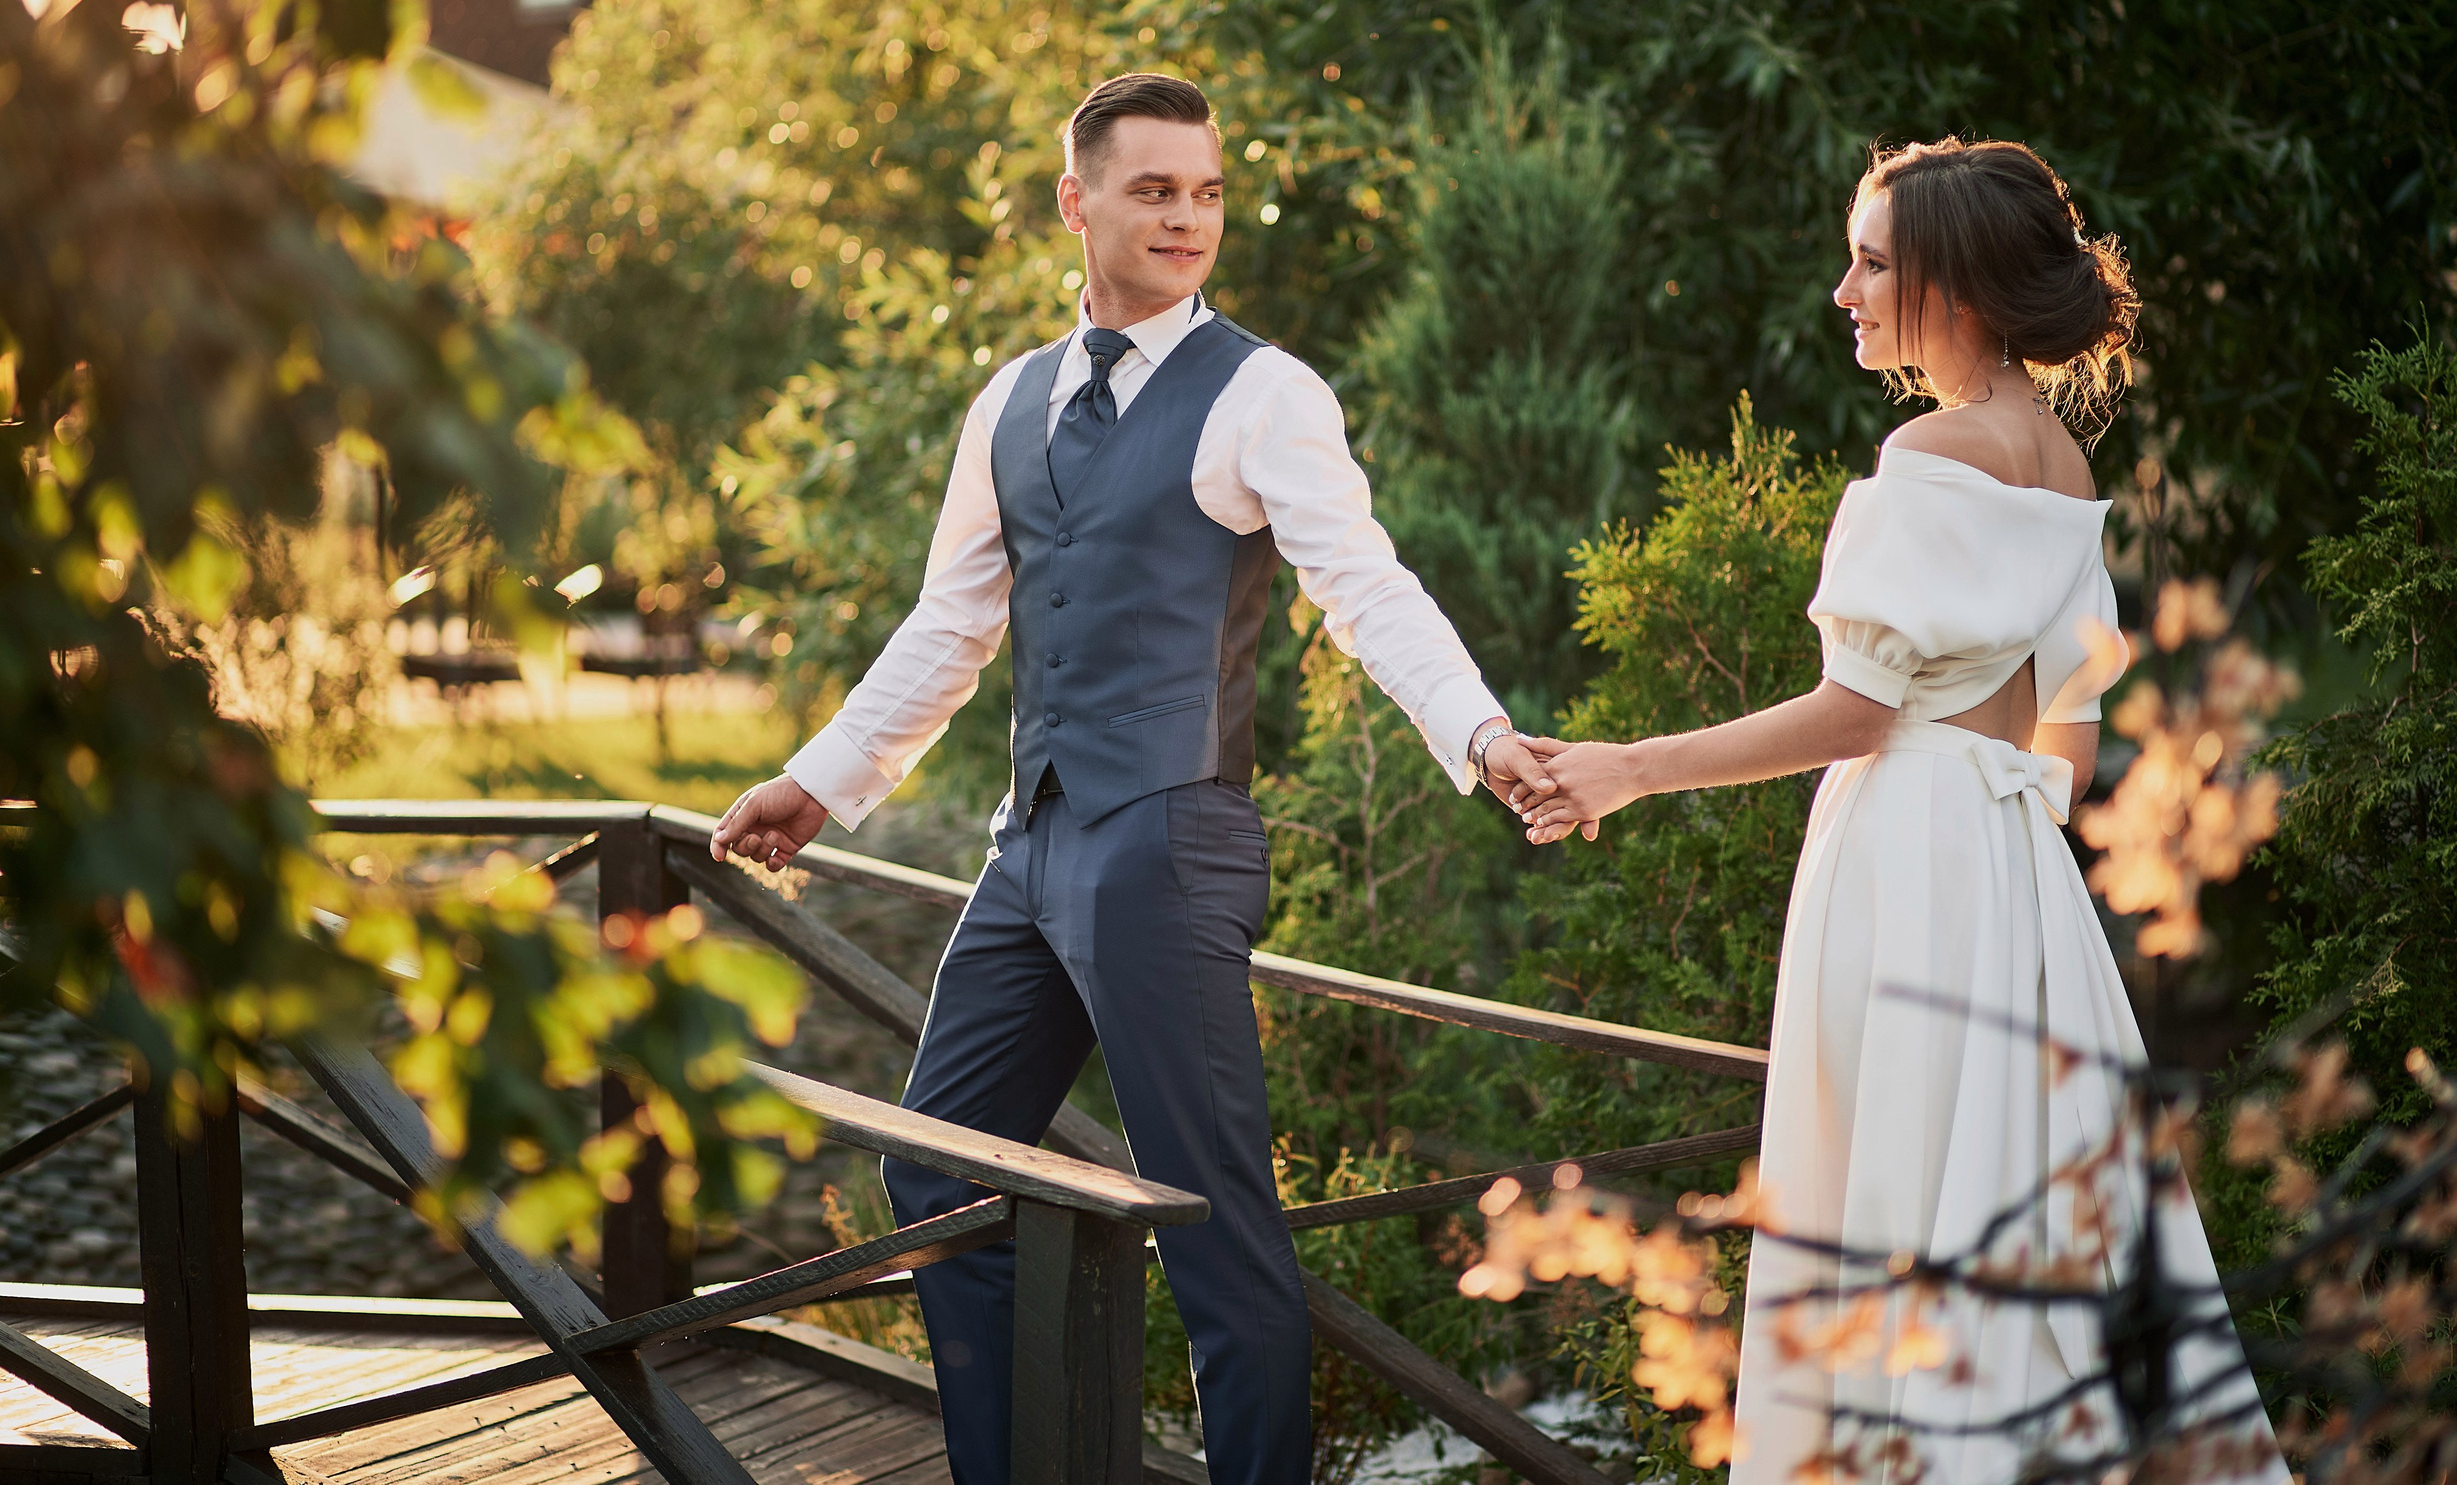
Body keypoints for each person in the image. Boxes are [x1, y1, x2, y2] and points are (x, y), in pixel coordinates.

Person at [709, 72, 1553, 1485]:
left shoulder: (1266, 395)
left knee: (1213, 1226)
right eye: (1154, 189)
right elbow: (955, 621)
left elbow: (1369, 588)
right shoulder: (1011, 398)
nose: (1187, 217)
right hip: (1030, 846)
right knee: (937, 1171)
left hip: (1168, 843)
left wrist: (1478, 733)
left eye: (1207, 191)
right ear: (1076, 200)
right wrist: (820, 778)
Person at [1512, 139, 2285, 1483]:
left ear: (1960, 285)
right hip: (2007, 873)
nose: (1844, 290)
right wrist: (2005, 859)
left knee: (1893, 1188)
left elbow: (1857, 712)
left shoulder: (1931, 456)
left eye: (1873, 262)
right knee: (2007, 1196)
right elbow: (2076, 722)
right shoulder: (2059, 464)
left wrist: (1627, 765)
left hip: (1907, 855)